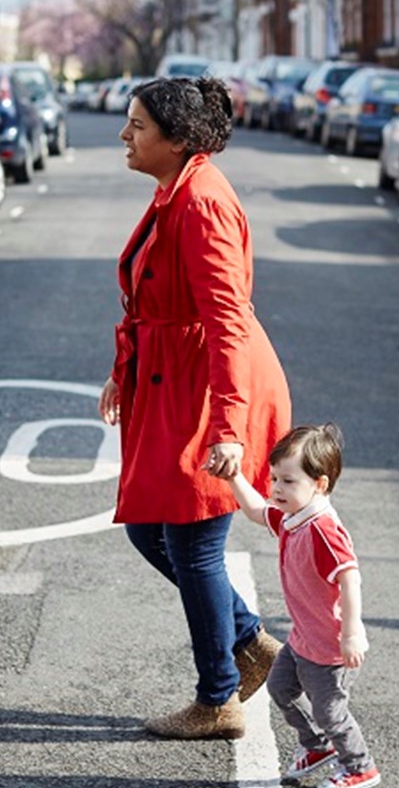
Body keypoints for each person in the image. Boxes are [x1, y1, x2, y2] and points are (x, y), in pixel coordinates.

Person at [99, 76, 291, 741]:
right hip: (172, 381)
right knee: (151, 530)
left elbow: (227, 322)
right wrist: (120, 373)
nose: (125, 135)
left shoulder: (202, 202)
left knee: (191, 542)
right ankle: (251, 646)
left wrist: (229, 428)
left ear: (178, 141)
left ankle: (218, 699)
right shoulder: (174, 188)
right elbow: (153, 299)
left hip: (208, 388)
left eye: (138, 127)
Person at [227, 423, 381, 788]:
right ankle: (317, 746)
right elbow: (253, 510)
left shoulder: (322, 529)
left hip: (330, 647)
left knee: (331, 712)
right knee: (280, 687)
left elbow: (349, 577)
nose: (277, 488)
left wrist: (351, 633)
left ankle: (360, 768)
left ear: (320, 485)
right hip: (302, 639)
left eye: (289, 481)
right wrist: (233, 477)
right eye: (275, 478)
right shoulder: (293, 517)